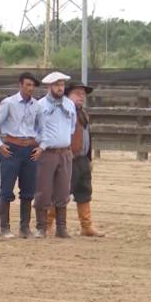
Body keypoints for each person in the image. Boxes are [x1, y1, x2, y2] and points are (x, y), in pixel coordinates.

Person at [0, 72, 42, 238]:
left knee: (28, 189)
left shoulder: (37, 105)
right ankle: (5, 227)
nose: (30, 88)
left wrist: (40, 145)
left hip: (30, 149)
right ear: (20, 85)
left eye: (32, 85)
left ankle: (24, 227)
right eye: (27, 85)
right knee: (6, 188)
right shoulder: (9, 103)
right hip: (12, 147)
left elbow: (42, 127)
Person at [46, 80, 105, 237]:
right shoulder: (63, 112)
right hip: (68, 158)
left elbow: (87, 138)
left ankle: (86, 226)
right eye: (77, 94)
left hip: (82, 159)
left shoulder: (82, 113)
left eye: (83, 94)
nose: (82, 97)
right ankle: (48, 223)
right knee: (60, 193)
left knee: (84, 191)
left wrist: (88, 159)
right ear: (67, 95)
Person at [32, 71, 76, 238]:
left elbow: (72, 127)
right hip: (47, 152)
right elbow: (34, 128)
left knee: (63, 190)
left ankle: (61, 228)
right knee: (43, 189)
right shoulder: (40, 105)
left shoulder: (70, 105)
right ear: (50, 86)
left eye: (62, 85)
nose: (60, 88)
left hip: (64, 152)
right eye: (57, 85)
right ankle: (41, 227)